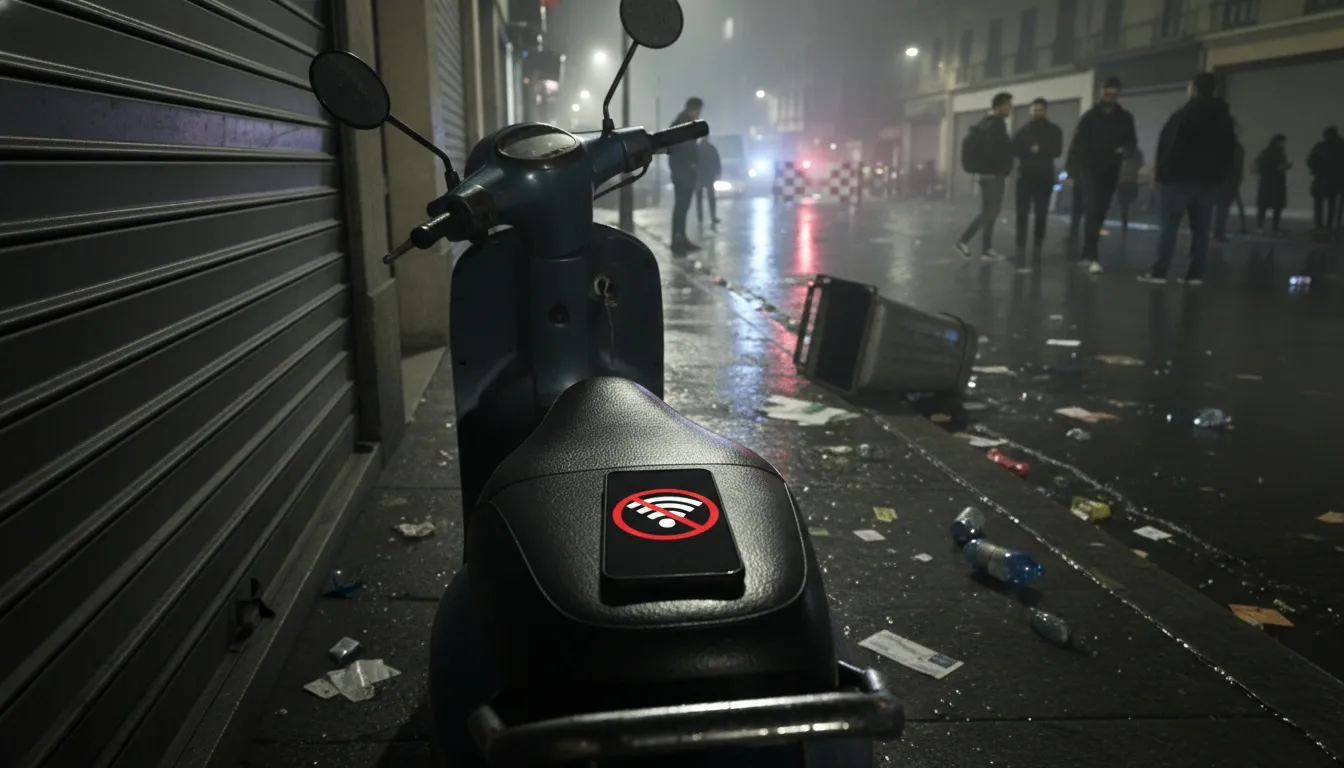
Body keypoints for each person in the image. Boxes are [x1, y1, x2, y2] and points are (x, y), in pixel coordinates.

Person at [1139, 72, 1235, 286]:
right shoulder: (1223, 117)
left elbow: (1170, 147)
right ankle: (1195, 273)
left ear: (1194, 88)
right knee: (1201, 229)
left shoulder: (1185, 114)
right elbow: (1229, 151)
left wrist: (1162, 175)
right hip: (1208, 183)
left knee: (1169, 227)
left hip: (1179, 181)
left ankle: (1160, 271)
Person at [1065, 76, 1137, 273]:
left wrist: (1126, 151)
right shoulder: (1090, 117)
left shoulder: (1125, 118)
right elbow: (1076, 144)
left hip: (1110, 170)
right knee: (1092, 208)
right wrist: (1070, 172)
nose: (1109, 95)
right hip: (1088, 169)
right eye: (1106, 91)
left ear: (1117, 94)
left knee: (1100, 211)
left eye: (1113, 92)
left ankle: (1088, 250)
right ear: (1101, 92)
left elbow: (1131, 141)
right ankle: (1091, 255)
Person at [955, 92, 1014, 260]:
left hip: (990, 174)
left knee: (991, 212)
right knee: (990, 211)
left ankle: (986, 249)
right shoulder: (994, 125)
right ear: (998, 106)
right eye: (1007, 105)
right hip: (992, 175)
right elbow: (995, 150)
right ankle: (963, 240)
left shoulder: (988, 124)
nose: (1010, 108)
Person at [1011, 97, 1063, 261]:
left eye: (1040, 110)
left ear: (1045, 111)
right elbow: (1014, 148)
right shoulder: (1023, 131)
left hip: (1044, 177)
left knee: (1041, 214)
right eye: (1035, 110)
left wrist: (1040, 149)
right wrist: (1028, 149)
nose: (1037, 113)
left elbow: (1057, 150)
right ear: (1030, 111)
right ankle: (1020, 246)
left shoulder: (1054, 130)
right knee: (1022, 213)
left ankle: (1037, 245)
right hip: (1025, 177)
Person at [668, 97, 703, 254]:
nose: (699, 115)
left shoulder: (683, 123)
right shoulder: (682, 125)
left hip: (683, 171)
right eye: (698, 111)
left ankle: (680, 237)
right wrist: (690, 164)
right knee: (681, 206)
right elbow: (677, 148)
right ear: (693, 109)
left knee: (683, 206)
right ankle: (678, 239)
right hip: (683, 172)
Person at [1212, 125, 1247, 242]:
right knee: (1224, 209)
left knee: (1220, 210)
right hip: (1230, 183)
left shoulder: (1221, 147)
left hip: (1221, 182)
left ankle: (1218, 232)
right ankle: (1219, 233)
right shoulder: (1237, 149)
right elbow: (1237, 168)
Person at [1307, 126, 1344, 232]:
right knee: (1333, 203)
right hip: (1338, 179)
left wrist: (1315, 170)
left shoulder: (1321, 146)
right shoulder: (1341, 146)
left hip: (1321, 177)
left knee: (1318, 202)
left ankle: (1319, 225)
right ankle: (1330, 224)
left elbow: (1311, 161)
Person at [1254, 134, 1290, 234]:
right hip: (1277, 182)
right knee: (1277, 207)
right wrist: (1283, 167)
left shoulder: (1266, 152)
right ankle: (1275, 227)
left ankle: (1260, 226)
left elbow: (1260, 165)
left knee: (1263, 206)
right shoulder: (1279, 153)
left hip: (1266, 182)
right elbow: (1278, 166)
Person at [695, 137, 722, 229]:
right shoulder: (711, 148)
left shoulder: (697, 148)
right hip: (709, 176)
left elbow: (693, 162)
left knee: (700, 199)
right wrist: (718, 173)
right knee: (711, 198)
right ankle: (712, 217)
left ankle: (700, 218)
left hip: (700, 176)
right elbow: (717, 161)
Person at [1117, 147, 1144, 235]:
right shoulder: (1137, 153)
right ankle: (1128, 225)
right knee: (1129, 205)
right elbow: (1139, 165)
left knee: (1124, 207)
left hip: (1122, 182)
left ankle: (1124, 225)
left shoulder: (1120, 153)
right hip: (1131, 181)